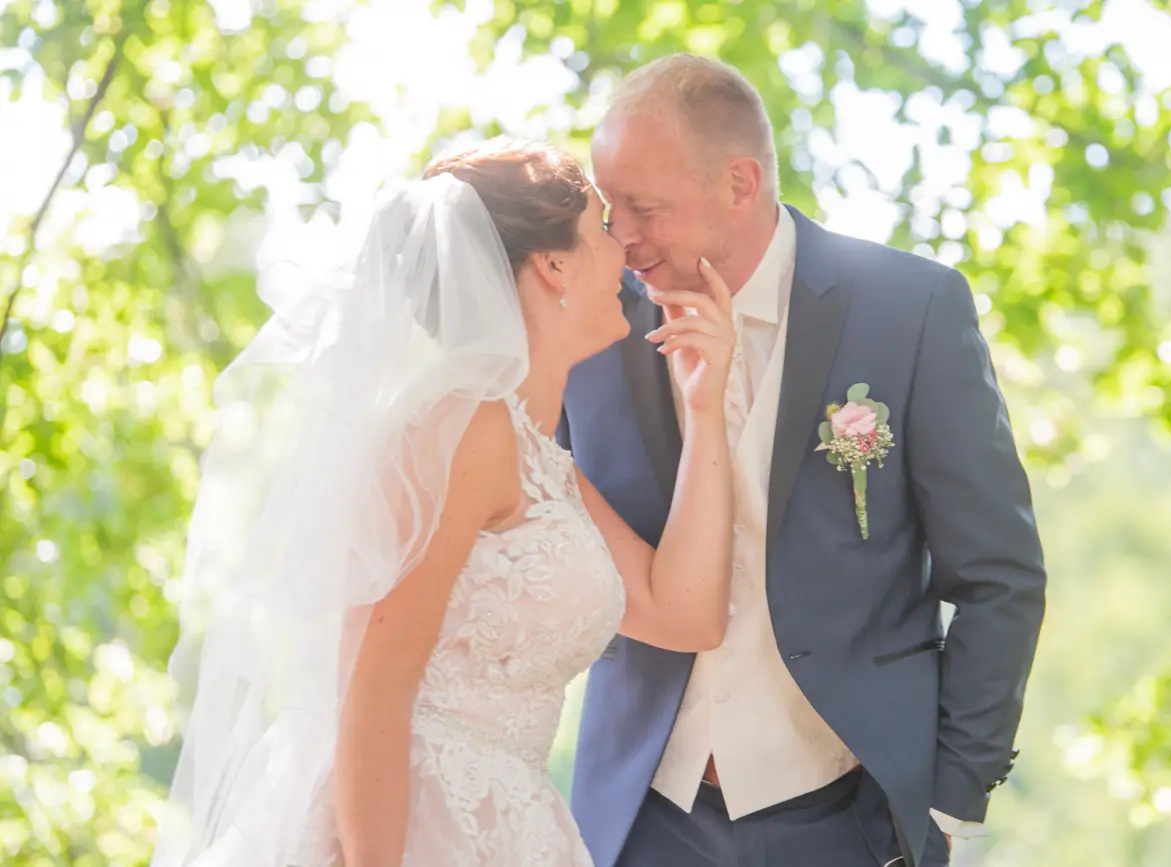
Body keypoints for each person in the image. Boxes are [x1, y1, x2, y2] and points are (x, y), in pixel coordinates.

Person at [150, 139, 738, 867]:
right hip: (410, 824)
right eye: (602, 228)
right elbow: (372, 690)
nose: (624, 248)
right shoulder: (462, 428)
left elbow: (685, 614)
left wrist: (705, 406)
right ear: (554, 265)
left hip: (514, 829)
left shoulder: (543, 463)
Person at [562, 55, 1048, 867]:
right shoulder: (589, 321)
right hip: (638, 816)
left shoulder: (909, 308)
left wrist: (950, 799)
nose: (621, 237)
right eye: (610, 207)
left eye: (645, 208)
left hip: (850, 817)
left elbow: (999, 576)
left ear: (740, 183)